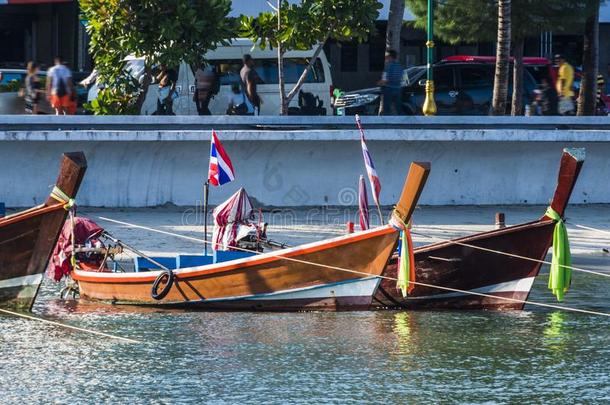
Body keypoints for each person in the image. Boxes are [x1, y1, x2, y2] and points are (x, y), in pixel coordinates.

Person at [378, 49, 403, 115]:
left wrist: (379, 83)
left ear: (390, 57)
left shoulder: (388, 66)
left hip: (388, 89)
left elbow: (384, 80)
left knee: (386, 109)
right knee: (398, 108)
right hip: (398, 89)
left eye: (386, 56)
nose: (386, 58)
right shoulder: (400, 66)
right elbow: (403, 78)